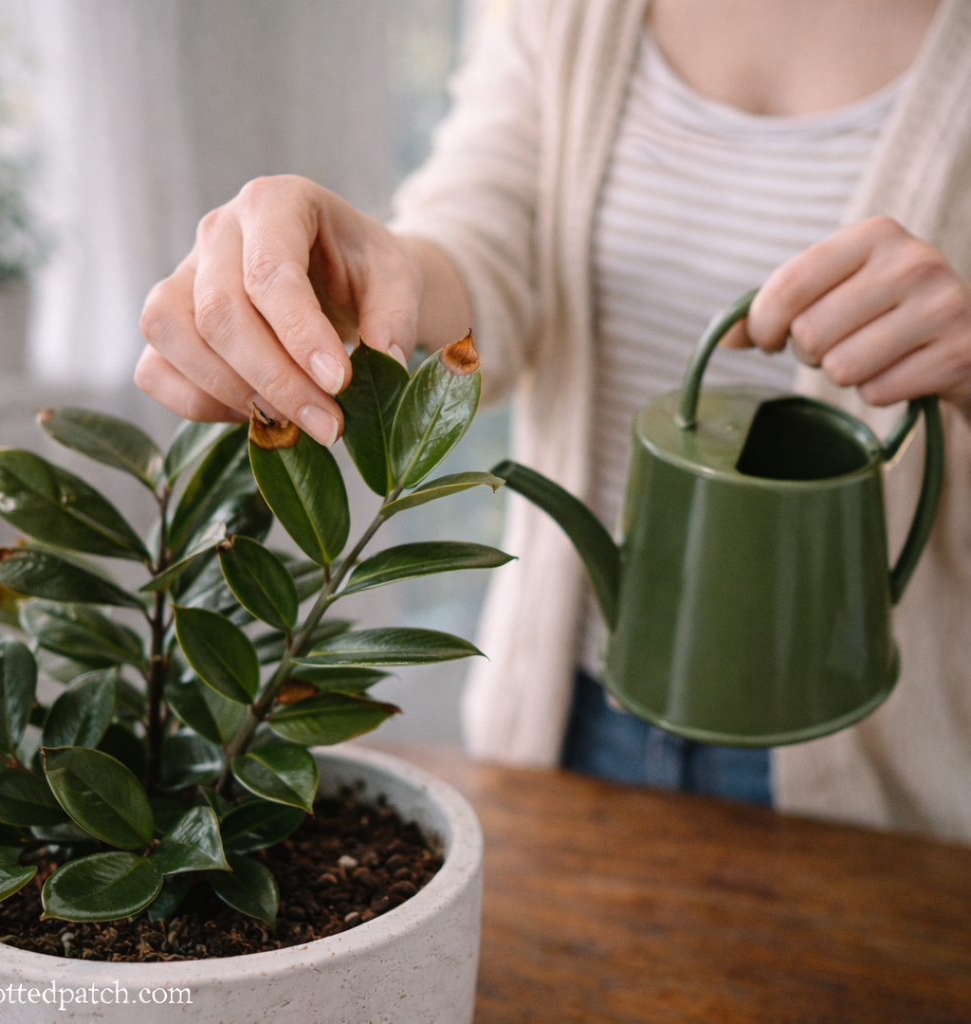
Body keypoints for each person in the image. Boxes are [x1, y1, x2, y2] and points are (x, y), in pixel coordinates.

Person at [136, 0, 971, 842]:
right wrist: (363, 275)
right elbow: (482, 249)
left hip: (889, 772)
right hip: (571, 717)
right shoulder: (569, 15)